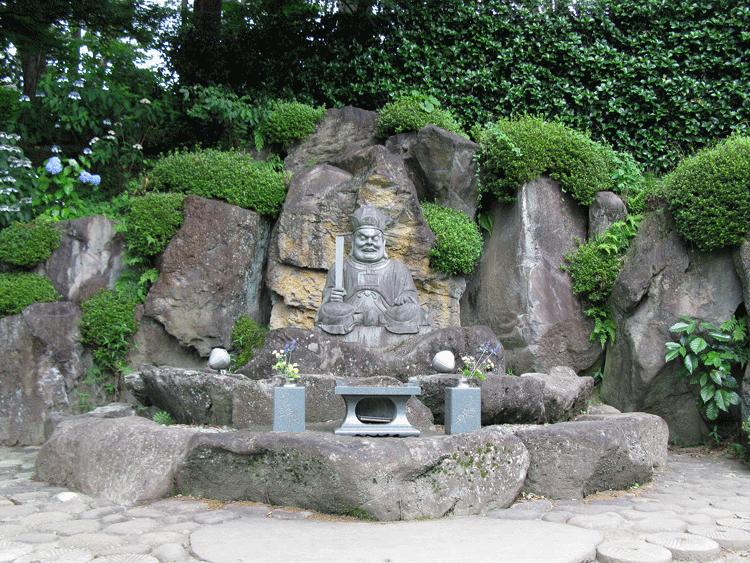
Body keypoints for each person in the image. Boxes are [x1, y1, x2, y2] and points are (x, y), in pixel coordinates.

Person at [315, 205, 431, 335]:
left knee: (414, 311)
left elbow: (411, 294)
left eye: (375, 238)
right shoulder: (340, 267)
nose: (369, 243)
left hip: (388, 314)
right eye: (362, 238)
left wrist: (405, 297)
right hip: (350, 313)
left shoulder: (398, 268)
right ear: (353, 242)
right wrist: (332, 295)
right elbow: (328, 296)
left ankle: (376, 319)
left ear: (383, 242)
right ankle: (359, 318)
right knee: (328, 310)